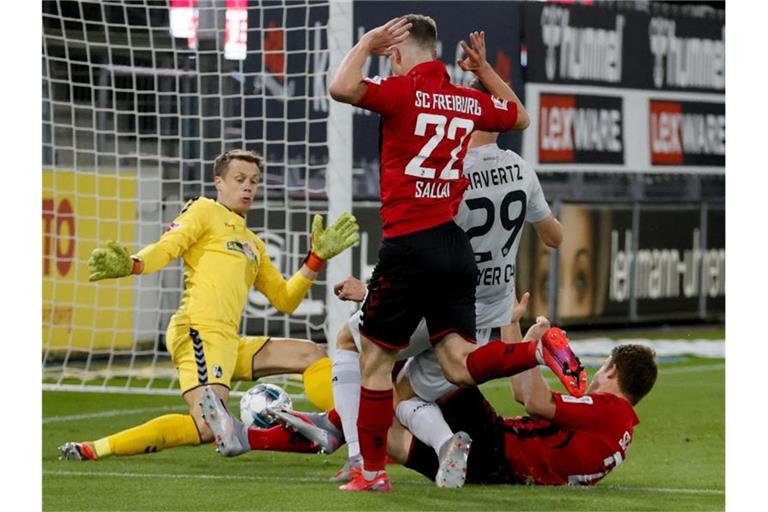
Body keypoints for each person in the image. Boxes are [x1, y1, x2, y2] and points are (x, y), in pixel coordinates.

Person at [324, 13, 580, 492]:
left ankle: (372, 472)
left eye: (390, 55)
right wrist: (484, 73)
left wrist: (364, 43)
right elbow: (519, 117)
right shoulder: (465, 100)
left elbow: (341, 87)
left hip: (409, 242)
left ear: (397, 54)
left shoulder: (401, 92)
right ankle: (532, 349)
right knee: (457, 360)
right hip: (453, 248)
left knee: (375, 363)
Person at [58, 149, 359, 461]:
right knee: (207, 427)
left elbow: (285, 299)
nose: (248, 187)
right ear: (219, 182)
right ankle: (95, 448)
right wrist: (135, 264)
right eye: (240, 179)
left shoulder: (253, 243)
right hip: (197, 332)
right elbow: (167, 248)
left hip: (229, 340)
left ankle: (344, 427)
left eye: (254, 182)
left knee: (310, 353)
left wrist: (316, 258)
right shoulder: (203, 211)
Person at [260, 316, 657, 488]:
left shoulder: (608, 409)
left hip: (499, 445)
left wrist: (531, 345)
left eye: (603, 368)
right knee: (384, 433)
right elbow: (526, 395)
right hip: (493, 474)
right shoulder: (622, 431)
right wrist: (516, 329)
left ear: (613, 373)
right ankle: (256, 437)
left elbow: (533, 400)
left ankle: (340, 431)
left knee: (408, 372)